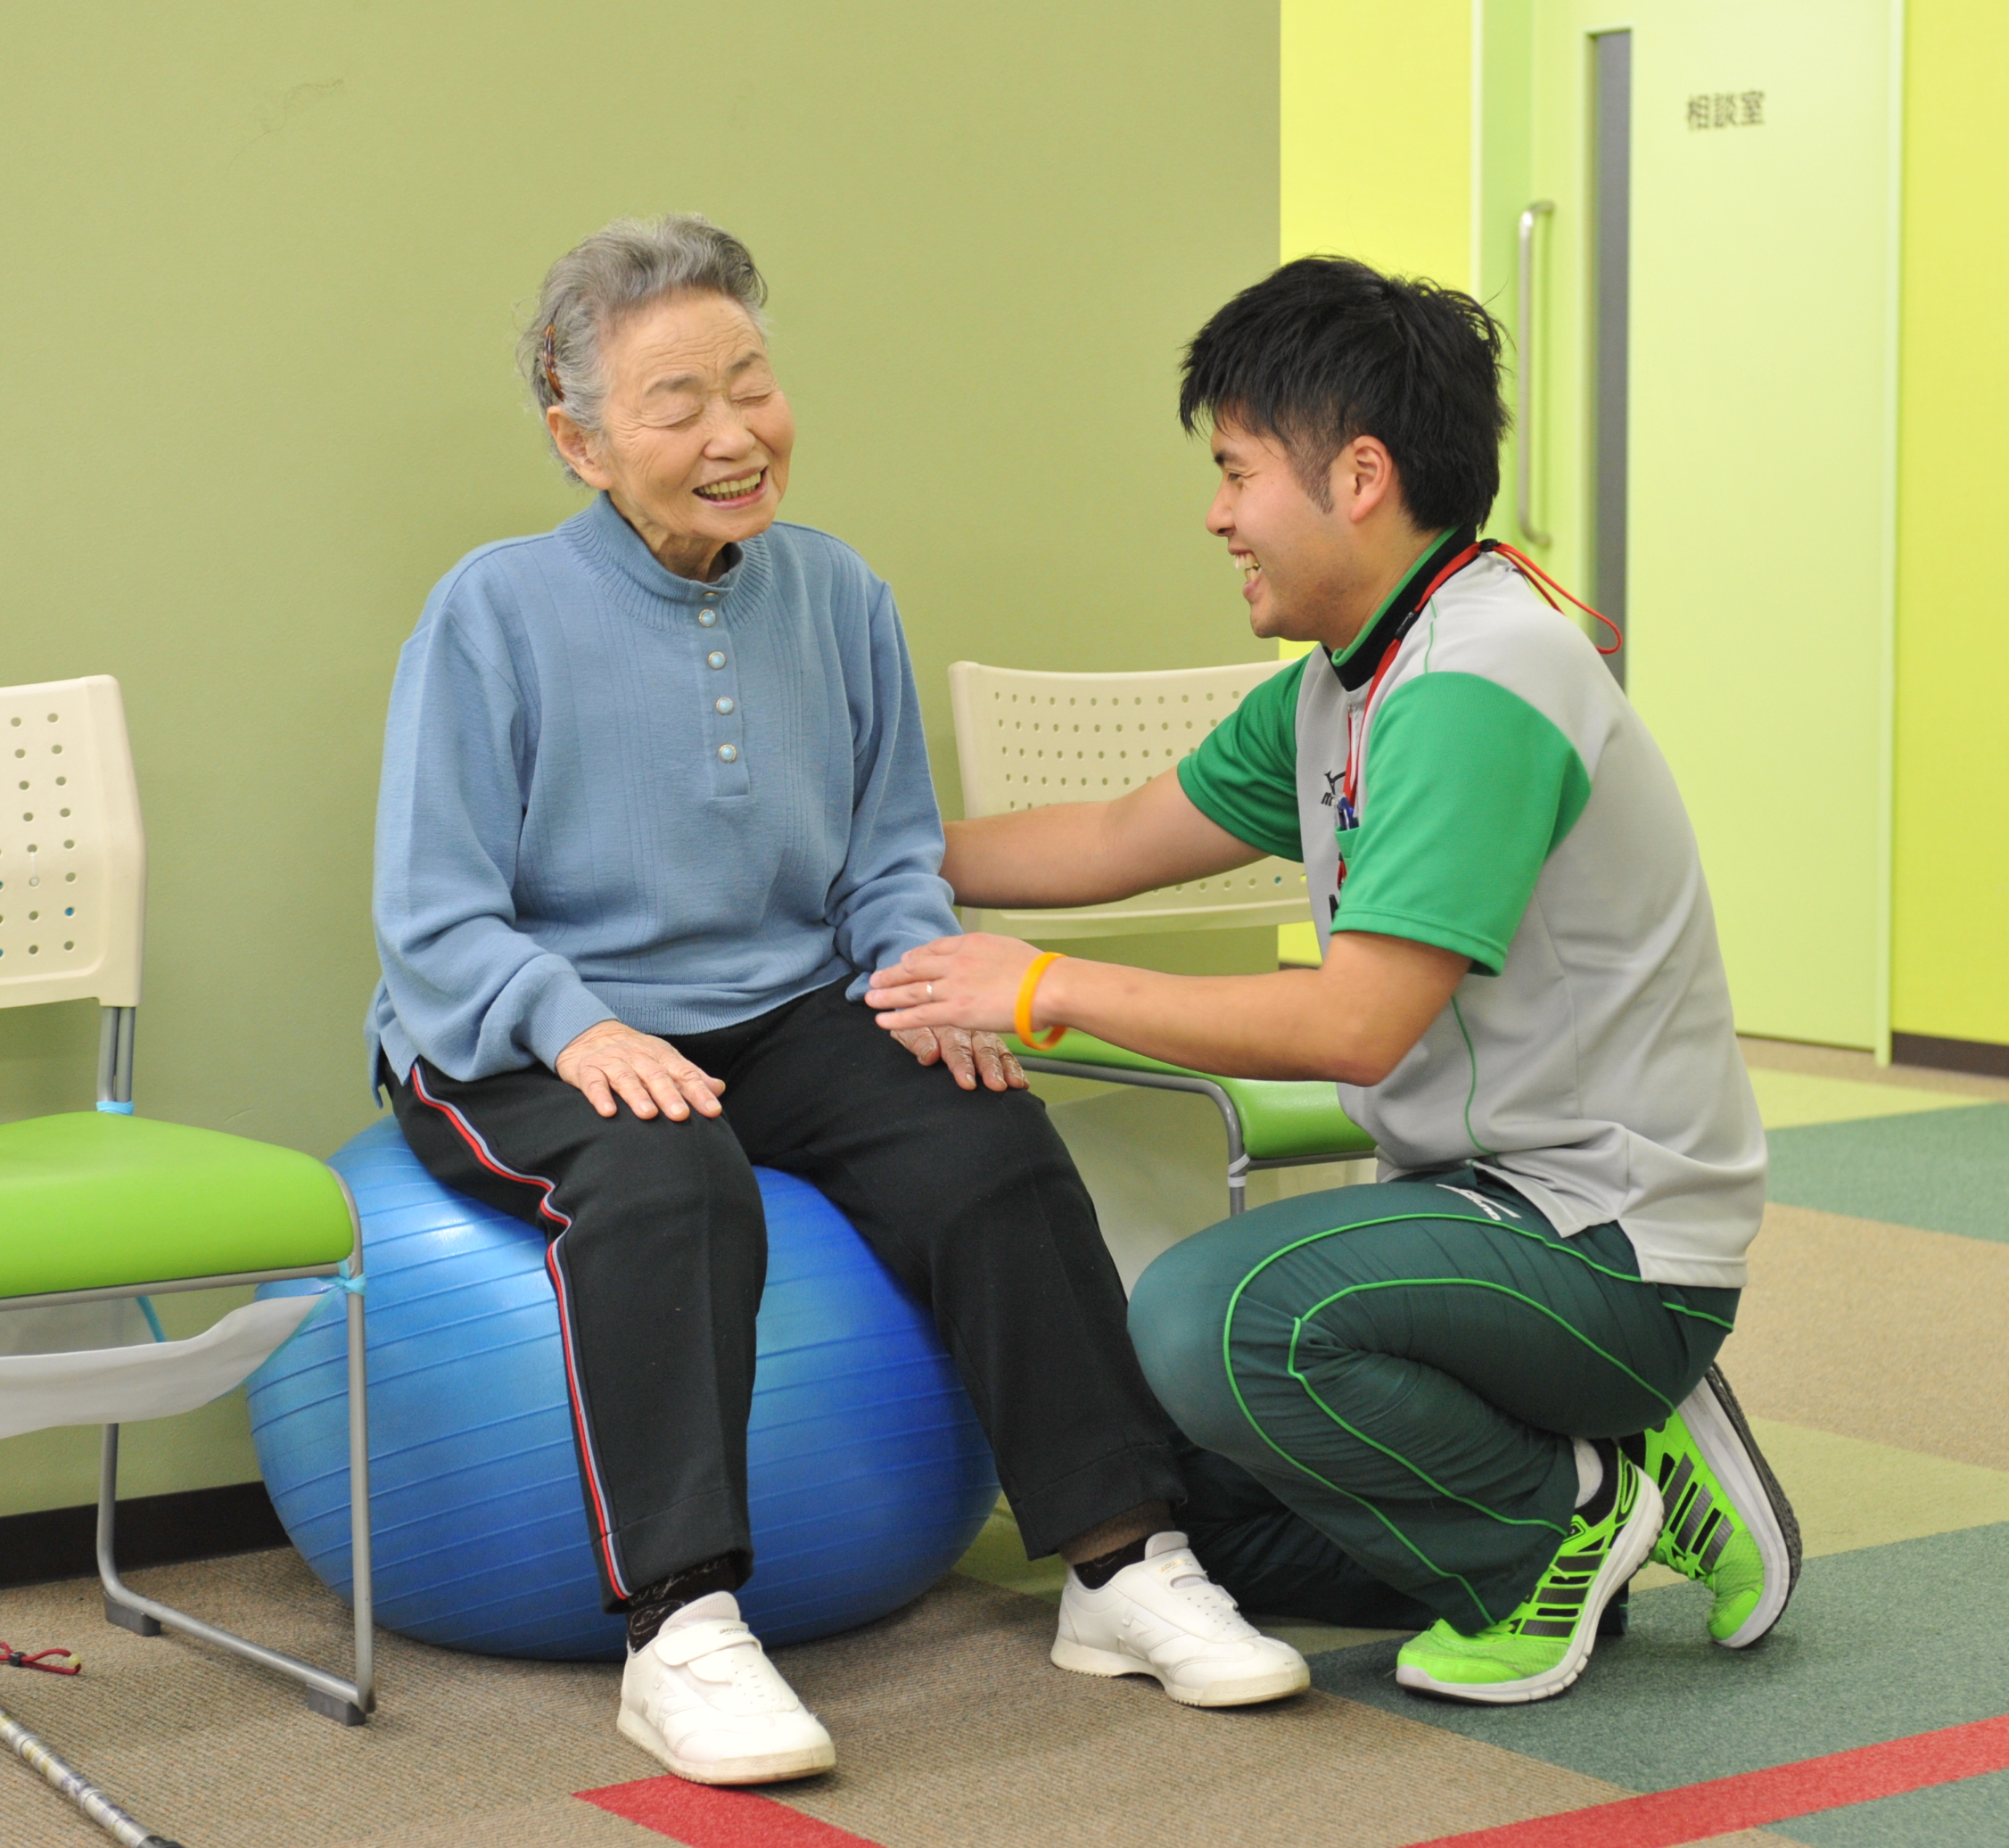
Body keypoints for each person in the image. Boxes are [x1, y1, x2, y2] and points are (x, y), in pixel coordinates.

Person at [366, 215, 1306, 1787]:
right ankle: (679, 1627)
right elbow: (435, 912)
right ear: (579, 441)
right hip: (522, 1022)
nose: (736, 434)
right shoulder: (493, 612)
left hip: (785, 1002)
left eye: (753, 381)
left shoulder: (840, 596)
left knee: (986, 1137)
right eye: (679, 403)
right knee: (669, 1177)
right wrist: (580, 1026)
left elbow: (882, 859)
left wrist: (922, 977)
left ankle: (1119, 1563)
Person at [871, 256, 1800, 1706]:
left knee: (1210, 1324)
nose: (1217, 514)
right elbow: (1119, 835)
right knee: (1186, 1491)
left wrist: (1041, 991)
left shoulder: (1480, 682)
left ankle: (1555, 1529)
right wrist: (850, 862)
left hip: (1604, 1245)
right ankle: (1612, 1478)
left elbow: (1357, 1028)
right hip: (1472, 1219)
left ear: (1358, 475)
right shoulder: (1344, 679)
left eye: (1237, 472)